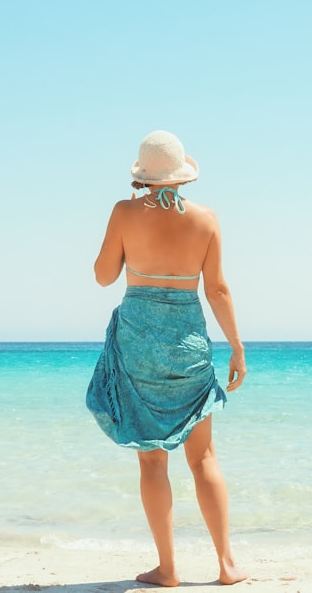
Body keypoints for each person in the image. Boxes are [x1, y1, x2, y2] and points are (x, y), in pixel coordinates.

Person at [87, 130, 248, 587]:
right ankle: (226, 564)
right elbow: (216, 289)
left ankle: (169, 569)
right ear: (182, 175)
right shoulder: (207, 219)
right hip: (188, 342)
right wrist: (236, 348)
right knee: (204, 459)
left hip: (138, 341)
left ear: (142, 175)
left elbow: (103, 277)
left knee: (153, 461)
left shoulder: (124, 211)